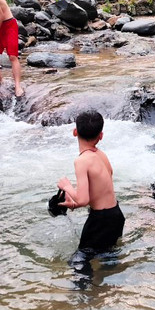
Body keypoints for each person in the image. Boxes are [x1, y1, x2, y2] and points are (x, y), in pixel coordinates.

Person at [57, 109, 124, 256]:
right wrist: (73, 204)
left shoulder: (81, 161)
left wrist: (67, 187)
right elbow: (100, 190)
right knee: (108, 258)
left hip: (100, 221)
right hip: (116, 215)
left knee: (80, 264)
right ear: (101, 136)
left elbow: (83, 199)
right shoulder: (102, 155)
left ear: (75, 132)